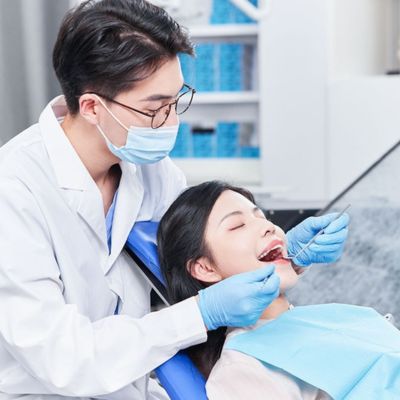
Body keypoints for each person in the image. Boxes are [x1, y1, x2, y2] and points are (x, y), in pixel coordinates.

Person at [0, 1, 349, 398]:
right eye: (155, 108)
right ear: (93, 106)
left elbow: (199, 263)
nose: (171, 123)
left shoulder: (153, 171)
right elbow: (60, 358)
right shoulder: (14, 189)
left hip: (139, 383)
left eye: (176, 100)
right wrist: (202, 313)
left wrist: (282, 255)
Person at [157, 181, 354, 399]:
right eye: (237, 225)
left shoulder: (307, 324)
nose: (268, 227)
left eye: (261, 217)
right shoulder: (244, 371)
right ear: (205, 268)